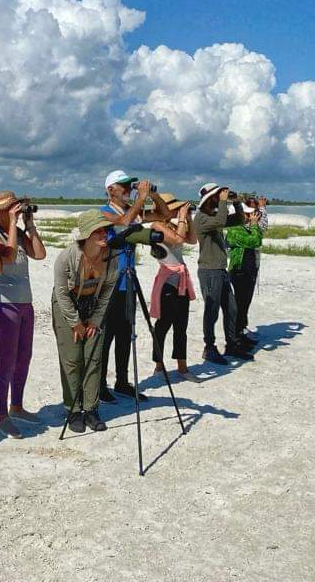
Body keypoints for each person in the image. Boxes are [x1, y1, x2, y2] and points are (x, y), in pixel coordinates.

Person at [99, 170, 172, 402]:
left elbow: (165, 214)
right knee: (106, 336)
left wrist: (152, 195)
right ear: (111, 189)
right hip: (109, 283)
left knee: (125, 334)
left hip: (128, 282)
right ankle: (99, 385)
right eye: (124, 186)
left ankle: (122, 381)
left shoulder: (134, 210)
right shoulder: (103, 212)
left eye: (130, 186)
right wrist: (140, 199)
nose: (129, 189)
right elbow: (125, 222)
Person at [0, 190, 47, 439]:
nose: (18, 212)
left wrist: (29, 226)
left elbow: (40, 253)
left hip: (24, 303)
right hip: (3, 304)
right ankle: (1, 416)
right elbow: (7, 257)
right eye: (13, 208)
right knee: (6, 360)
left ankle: (17, 406)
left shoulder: (18, 233)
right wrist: (11, 223)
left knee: (24, 357)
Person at [52, 209, 118, 433]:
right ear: (86, 235)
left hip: (95, 304)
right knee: (72, 360)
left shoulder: (111, 258)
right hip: (67, 306)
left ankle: (91, 409)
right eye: (97, 231)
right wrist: (75, 323)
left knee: (93, 358)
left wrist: (96, 320)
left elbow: (109, 289)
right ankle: (73, 409)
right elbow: (61, 293)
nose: (104, 235)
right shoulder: (67, 257)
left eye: (105, 230)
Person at [193, 183, 253, 365]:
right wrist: (223, 203)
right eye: (217, 195)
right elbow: (220, 221)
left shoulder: (213, 215)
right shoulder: (202, 218)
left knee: (231, 309)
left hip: (220, 269)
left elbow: (239, 220)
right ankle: (209, 347)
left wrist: (236, 204)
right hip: (209, 270)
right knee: (211, 311)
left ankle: (232, 344)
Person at [148, 194, 199, 380]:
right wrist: (182, 218)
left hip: (181, 281)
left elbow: (192, 240)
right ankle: (159, 365)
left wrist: (189, 219)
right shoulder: (157, 226)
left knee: (181, 325)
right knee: (163, 325)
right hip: (168, 281)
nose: (176, 211)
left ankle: (182, 367)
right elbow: (177, 240)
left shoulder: (173, 225)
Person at [226, 197, 265, 347]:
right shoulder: (234, 230)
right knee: (239, 305)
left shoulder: (244, 228)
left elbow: (259, 238)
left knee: (245, 304)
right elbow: (254, 241)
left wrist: (254, 225)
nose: (250, 216)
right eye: (247, 214)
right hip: (239, 270)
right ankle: (235, 337)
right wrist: (254, 225)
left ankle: (240, 333)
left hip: (249, 269)